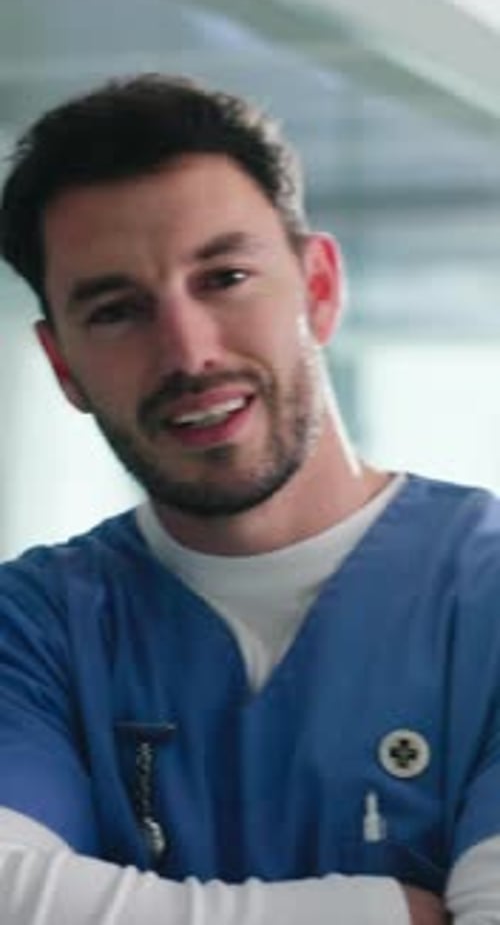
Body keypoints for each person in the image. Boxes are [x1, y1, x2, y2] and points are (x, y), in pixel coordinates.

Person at [0, 74, 497, 925]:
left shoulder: (481, 597)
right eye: (118, 310)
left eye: (224, 276)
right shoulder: (35, 627)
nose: (188, 351)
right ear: (61, 364)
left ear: (319, 287)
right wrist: (384, 916)